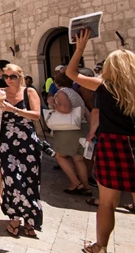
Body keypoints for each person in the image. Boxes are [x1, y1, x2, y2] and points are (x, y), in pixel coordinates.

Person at [66, 29, 135, 253]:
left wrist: (79, 49)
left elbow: (72, 72)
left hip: (112, 145)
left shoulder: (103, 87)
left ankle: (101, 247)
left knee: (107, 202)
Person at [0, 64, 42, 238]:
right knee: (11, 180)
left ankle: (30, 220)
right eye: (6, 77)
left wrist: (14, 109)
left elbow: (37, 115)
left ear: (20, 76)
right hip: (6, 141)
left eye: (13, 76)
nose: (9, 80)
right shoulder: (0, 92)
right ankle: (15, 217)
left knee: (30, 181)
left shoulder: (29, 92)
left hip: (28, 142)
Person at [50, 67, 92, 196]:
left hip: (68, 129)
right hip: (82, 126)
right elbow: (86, 112)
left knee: (59, 156)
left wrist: (53, 104)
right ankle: (86, 186)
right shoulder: (76, 94)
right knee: (78, 158)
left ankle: (75, 183)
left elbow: (66, 109)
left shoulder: (62, 93)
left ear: (57, 83)